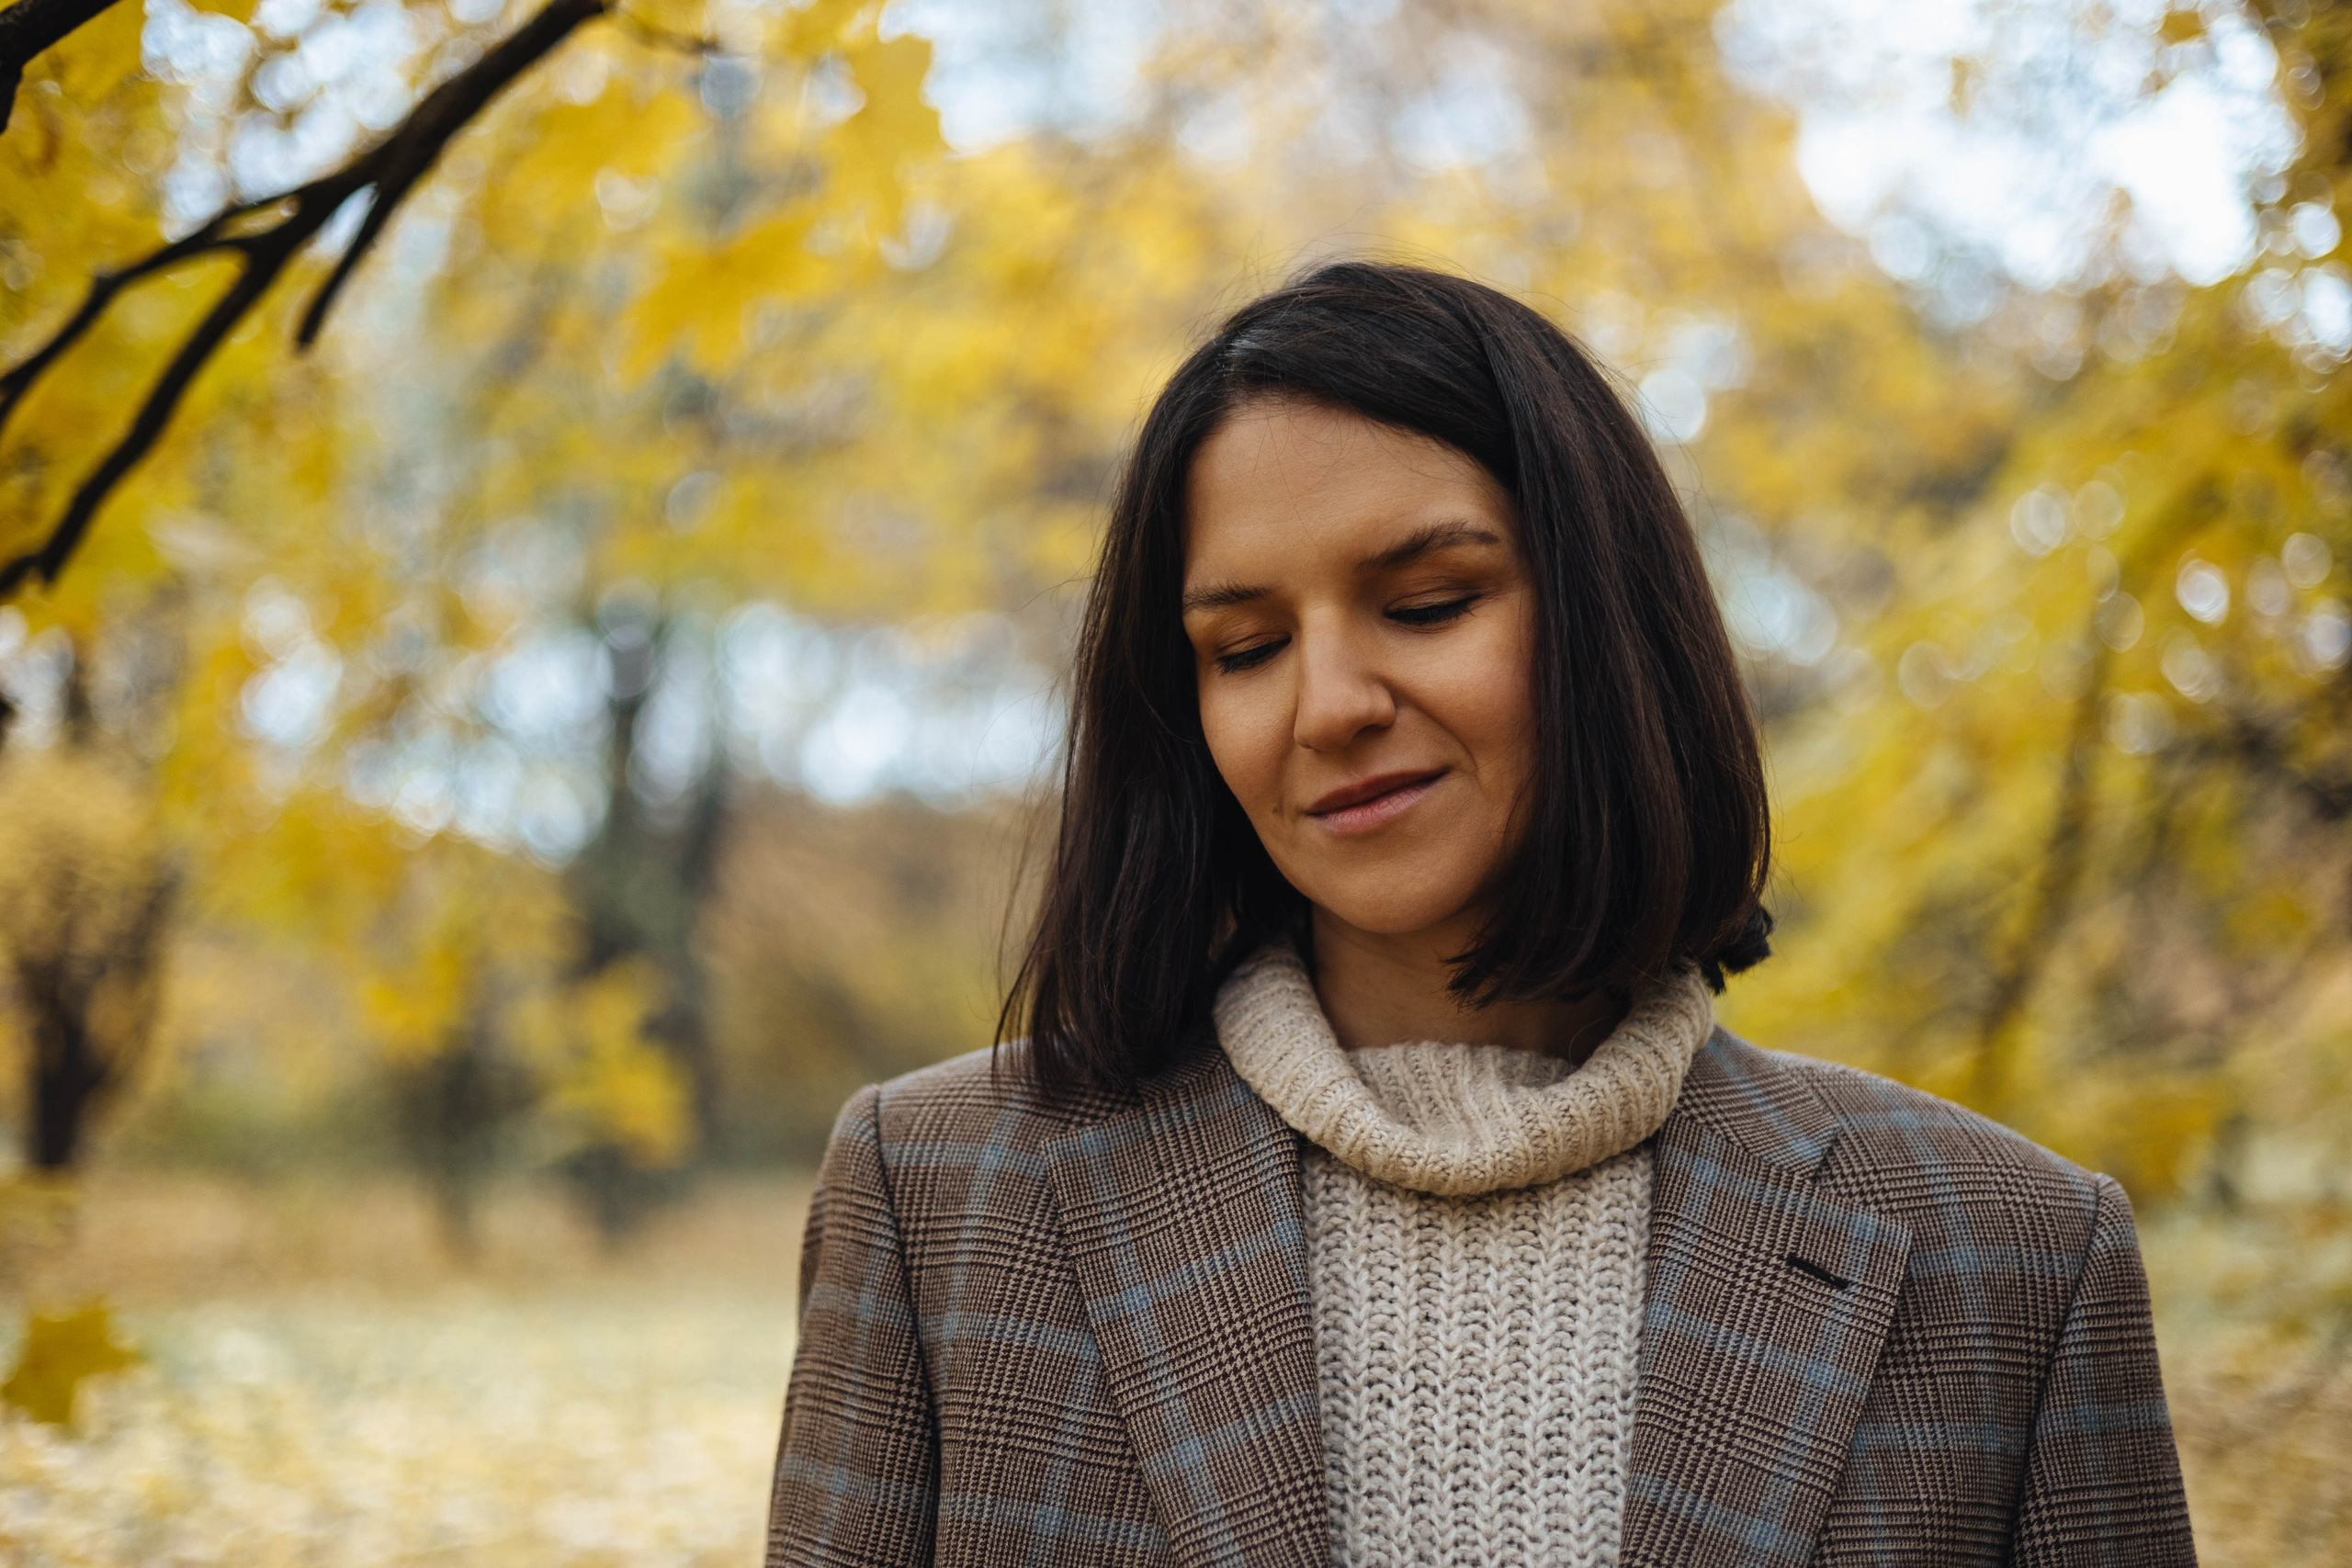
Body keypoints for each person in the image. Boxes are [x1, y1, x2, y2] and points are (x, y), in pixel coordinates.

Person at [764, 262, 2195, 1567]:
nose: (1328, 706)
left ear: (1601, 619)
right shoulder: (941, 1196)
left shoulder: (2012, 1258)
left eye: (1431, 603)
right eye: (1247, 648)